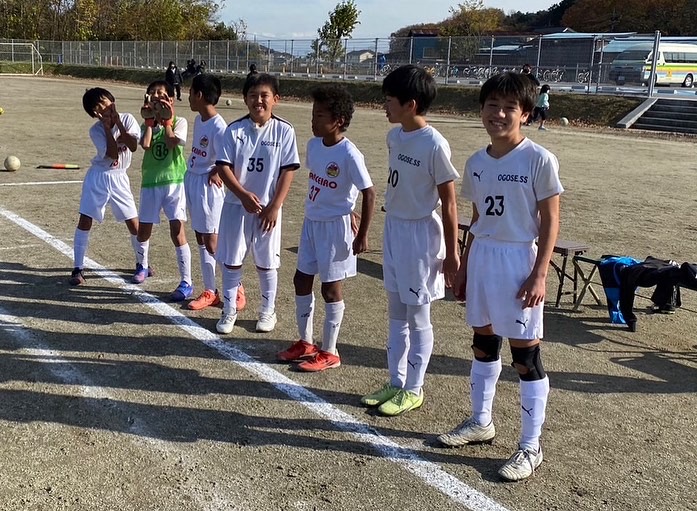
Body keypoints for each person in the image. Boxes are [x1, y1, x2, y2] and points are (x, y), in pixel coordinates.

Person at [437, 71, 563, 482]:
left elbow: (551, 220)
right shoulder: (476, 162)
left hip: (519, 259)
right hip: (483, 257)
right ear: (482, 109)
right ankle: (480, 422)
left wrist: (540, 274)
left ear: (525, 114)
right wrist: (463, 265)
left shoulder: (539, 159)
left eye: (510, 107)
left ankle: (531, 446)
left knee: (525, 356)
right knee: (483, 343)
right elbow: (477, 218)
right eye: (493, 105)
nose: (500, 113)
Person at [360, 64, 459, 416]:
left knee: (418, 314)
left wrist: (452, 253)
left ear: (410, 104)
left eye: (389, 100)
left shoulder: (434, 144)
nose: (384, 106)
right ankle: (396, 381)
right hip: (394, 229)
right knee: (396, 313)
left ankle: (415, 389)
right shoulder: (394, 136)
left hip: (420, 236)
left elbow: (450, 203)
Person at [276, 84, 376, 372]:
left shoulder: (350, 154)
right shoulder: (314, 145)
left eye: (319, 116)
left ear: (338, 121)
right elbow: (327, 184)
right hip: (312, 223)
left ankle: (330, 352)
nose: (313, 121)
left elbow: (369, 192)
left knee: (330, 289)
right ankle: (306, 342)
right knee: (301, 279)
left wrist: (362, 233)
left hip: (335, 228)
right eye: (313, 114)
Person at [213, 73, 300, 334]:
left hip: (268, 210)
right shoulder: (234, 130)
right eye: (253, 95)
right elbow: (224, 167)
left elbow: (288, 171)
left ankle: (267, 310)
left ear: (276, 99)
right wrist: (241, 195)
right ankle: (229, 310)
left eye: (264, 96)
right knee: (232, 260)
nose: (258, 101)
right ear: (245, 99)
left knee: (267, 262)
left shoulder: (284, 130)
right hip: (236, 206)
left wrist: (275, 206)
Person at [184, 73, 246, 312]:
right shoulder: (199, 119)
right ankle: (211, 290)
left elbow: (231, 158)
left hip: (208, 189)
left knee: (213, 241)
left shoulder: (220, 127)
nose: (188, 96)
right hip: (193, 180)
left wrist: (217, 172)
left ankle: (237, 287)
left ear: (199, 95)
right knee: (201, 237)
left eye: (191, 92)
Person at [70, 88, 142, 286]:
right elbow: (112, 154)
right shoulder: (96, 130)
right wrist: (108, 128)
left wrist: (118, 123)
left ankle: (142, 263)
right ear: (94, 113)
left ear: (112, 100)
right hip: (98, 176)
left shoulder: (127, 119)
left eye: (105, 102)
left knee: (133, 222)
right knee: (85, 220)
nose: (104, 107)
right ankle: (77, 268)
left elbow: (133, 146)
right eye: (98, 107)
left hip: (120, 177)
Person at [132, 80, 193, 303]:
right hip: (151, 182)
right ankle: (142, 265)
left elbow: (172, 142)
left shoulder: (180, 121)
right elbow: (146, 145)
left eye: (161, 93)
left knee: (177, 231)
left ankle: (186, 281)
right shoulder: (146, 122)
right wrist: (150, 122)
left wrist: (167, 119)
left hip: (174, 182)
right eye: (153, 93)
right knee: (144, 230)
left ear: (171, 98)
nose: (157, 95)